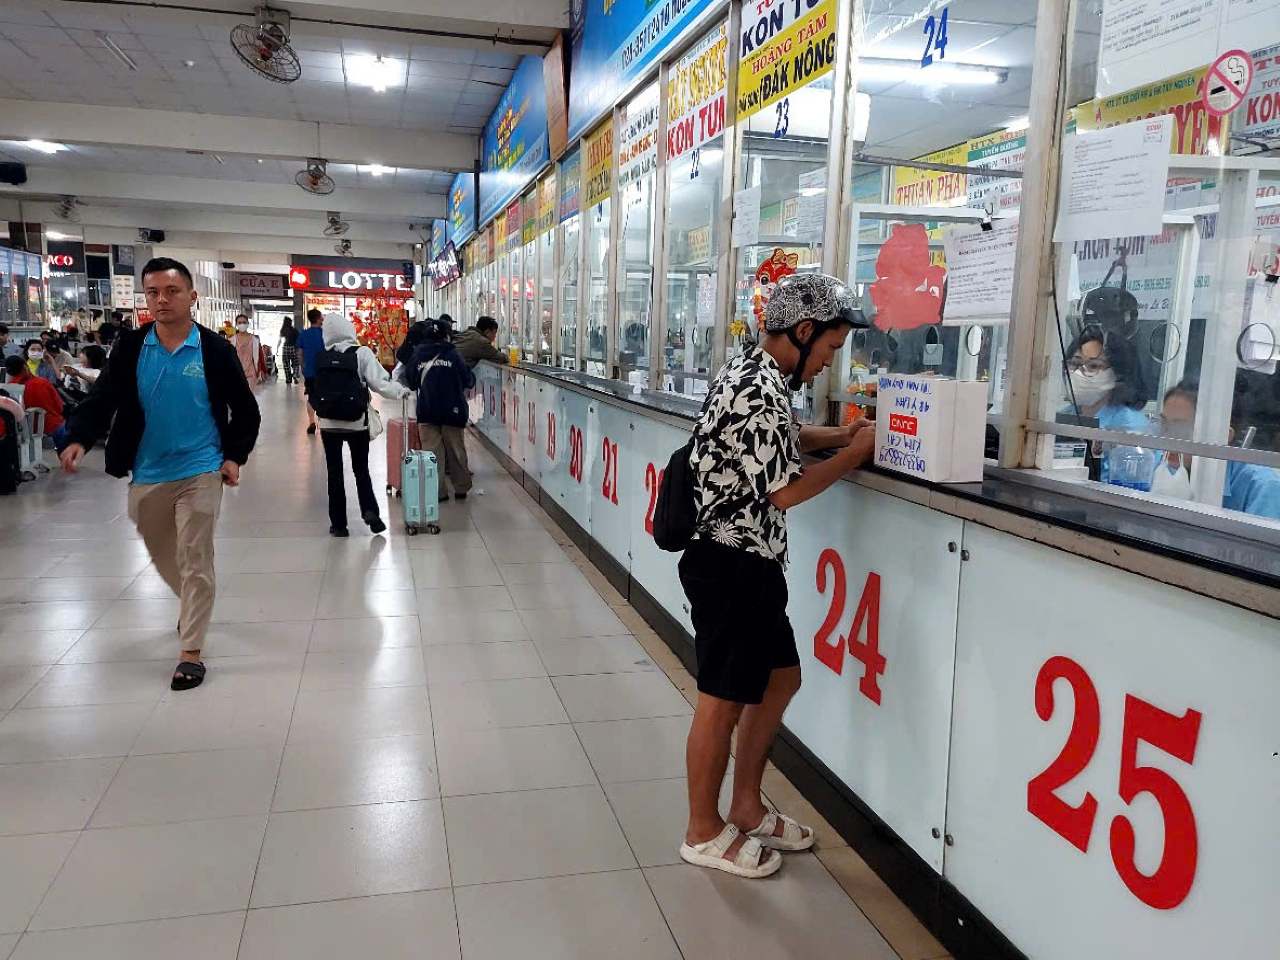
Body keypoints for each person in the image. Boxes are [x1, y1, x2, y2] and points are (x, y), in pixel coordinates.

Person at [677, 274, 876, 879]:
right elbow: (786, 491)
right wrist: (854, 455)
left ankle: (744, 805)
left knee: (780, 679)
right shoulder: (757, 387)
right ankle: (702, 829)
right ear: (805, 331)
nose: (827, 365)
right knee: (722, 700)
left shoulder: (756, 375)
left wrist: (841, 433)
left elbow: (781, 441)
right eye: (830, 350)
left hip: (754, 565)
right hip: (728, 563)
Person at [60, 257, 261, 692]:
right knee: (163, 551)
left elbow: (245, 408)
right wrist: (77, 435)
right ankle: (192, 602)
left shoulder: (214, 350)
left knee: (195, 556)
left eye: (171, 291)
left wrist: (234, 456)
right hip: (148, 469)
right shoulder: (132, 347)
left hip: (201, 466)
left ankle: (191, 651)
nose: (162, 300)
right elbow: (104, 396)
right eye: (153, 292)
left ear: (192, 296)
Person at [312, 312, 409, 536]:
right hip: (356, 422)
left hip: (328, 423)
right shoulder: (361, 353)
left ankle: (338, 525)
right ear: (349, 330)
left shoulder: (321, 356)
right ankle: (370, 512)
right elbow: (380, 384)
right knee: (360, 470)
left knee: (334, 473)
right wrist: (401, 391)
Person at [1154, 379, 1280, 520]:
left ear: (1224, 436)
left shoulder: (1263, 488)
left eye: (1182, 429)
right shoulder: (1160, 465)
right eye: (1164, 424)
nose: (1168, 438)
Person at [1062, 326, 1151, 485]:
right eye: (1075, 363)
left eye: (1094, 366)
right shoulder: (1065, 416)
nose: (1079, 373)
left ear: (1118, 374)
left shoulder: (1131, 427)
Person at [404, 318, 475, 501]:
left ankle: (438, 492)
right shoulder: (453, 355)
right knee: (456, 451)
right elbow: (468, 380)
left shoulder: (417, 356)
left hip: (427, 411)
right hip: (453, 411)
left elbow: (411, 381)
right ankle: (461, 488)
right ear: (446, 336)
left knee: (432, 453)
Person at [4, 354, 65, 446]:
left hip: (19, 433)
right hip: (50, 429)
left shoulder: (6, 391)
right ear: (25, 366)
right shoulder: (42, 383)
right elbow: (60, 408)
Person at [297, 309, 326, 435]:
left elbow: (299, 353)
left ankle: (311, 422)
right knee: (325, 397)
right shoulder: (325, 334)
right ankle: (324, 423)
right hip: (324, 371)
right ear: (319, 318)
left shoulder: (304, 334)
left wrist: (303, 366)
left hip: (310, 372)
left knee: (311, 397)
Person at [231, 315, 265, 387]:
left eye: (244, 322)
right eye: (239, 322)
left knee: (248, 396)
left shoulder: (254, 340)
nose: (242, 324)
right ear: (236, 324)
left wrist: (261, 372)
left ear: (247, 323)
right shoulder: (231, 340)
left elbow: (260, 357)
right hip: (236, 373)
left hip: (251, 374)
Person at [278, 316, 300, 384]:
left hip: (286, 348)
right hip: (294, 348)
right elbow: (299, 340)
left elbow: (280, 340)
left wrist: (277, 348)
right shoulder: (295, 330)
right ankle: (295, 374)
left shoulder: (283, 330)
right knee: (296, 363)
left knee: (286, 364)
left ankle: (288, 379)